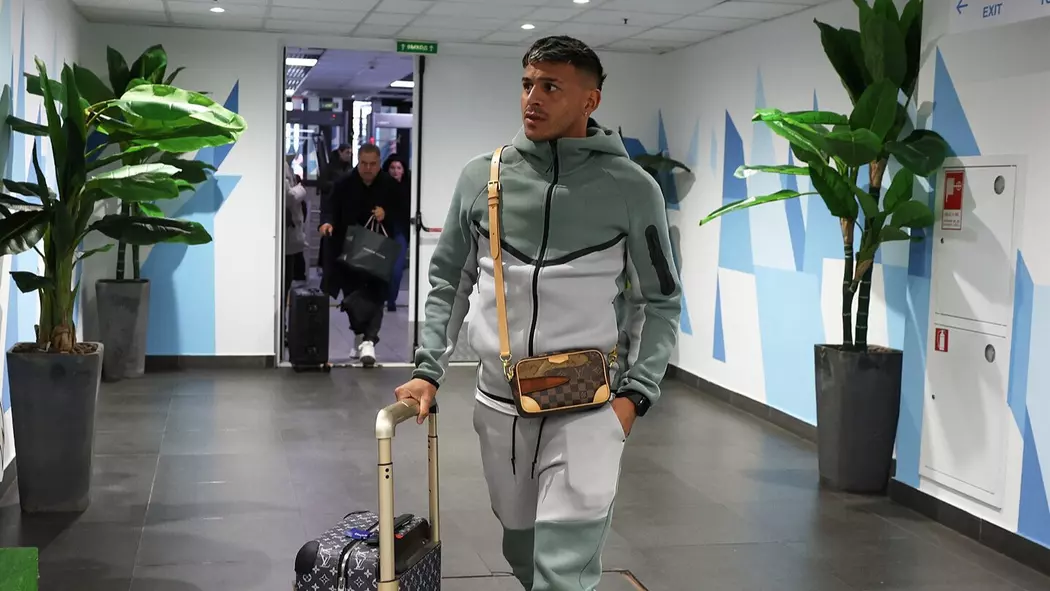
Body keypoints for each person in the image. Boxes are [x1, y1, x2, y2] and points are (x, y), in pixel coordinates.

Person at [394, 36, 682, 591]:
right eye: (528, 84)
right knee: (523, 553)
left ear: (590, 100)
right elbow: (448, 282)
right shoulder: (482, 178)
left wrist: (634, 398)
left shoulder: (631, 189)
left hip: (587, 406)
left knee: (561, 569)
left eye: (551, 86)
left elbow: (661, 300)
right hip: (498, 404)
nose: (533, 98)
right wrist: (428, 370)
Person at [319, 143, 397, 366]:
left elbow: (404, 210)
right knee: (352, 297)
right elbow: (330, 207)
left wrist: (386, 213)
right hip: (348, 251)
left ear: (379, 163)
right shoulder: (344, 183)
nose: (368, 168)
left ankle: (369, 341)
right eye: (364, 163)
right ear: (358, 162)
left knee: (377, 295)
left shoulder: (389, 185)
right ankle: (360, 336)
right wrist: (327, 223)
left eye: (373, 164)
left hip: (378, 250)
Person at [382, 154, 411, 312]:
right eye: (392, 168)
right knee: (380, 267)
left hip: (400, 232)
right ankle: (380, 297)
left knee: (396, 270)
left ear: (403, 170)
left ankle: (391, 299)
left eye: (399, 168)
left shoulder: (410, 188)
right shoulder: (381, 187)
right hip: (383, 231)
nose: (395, 171)